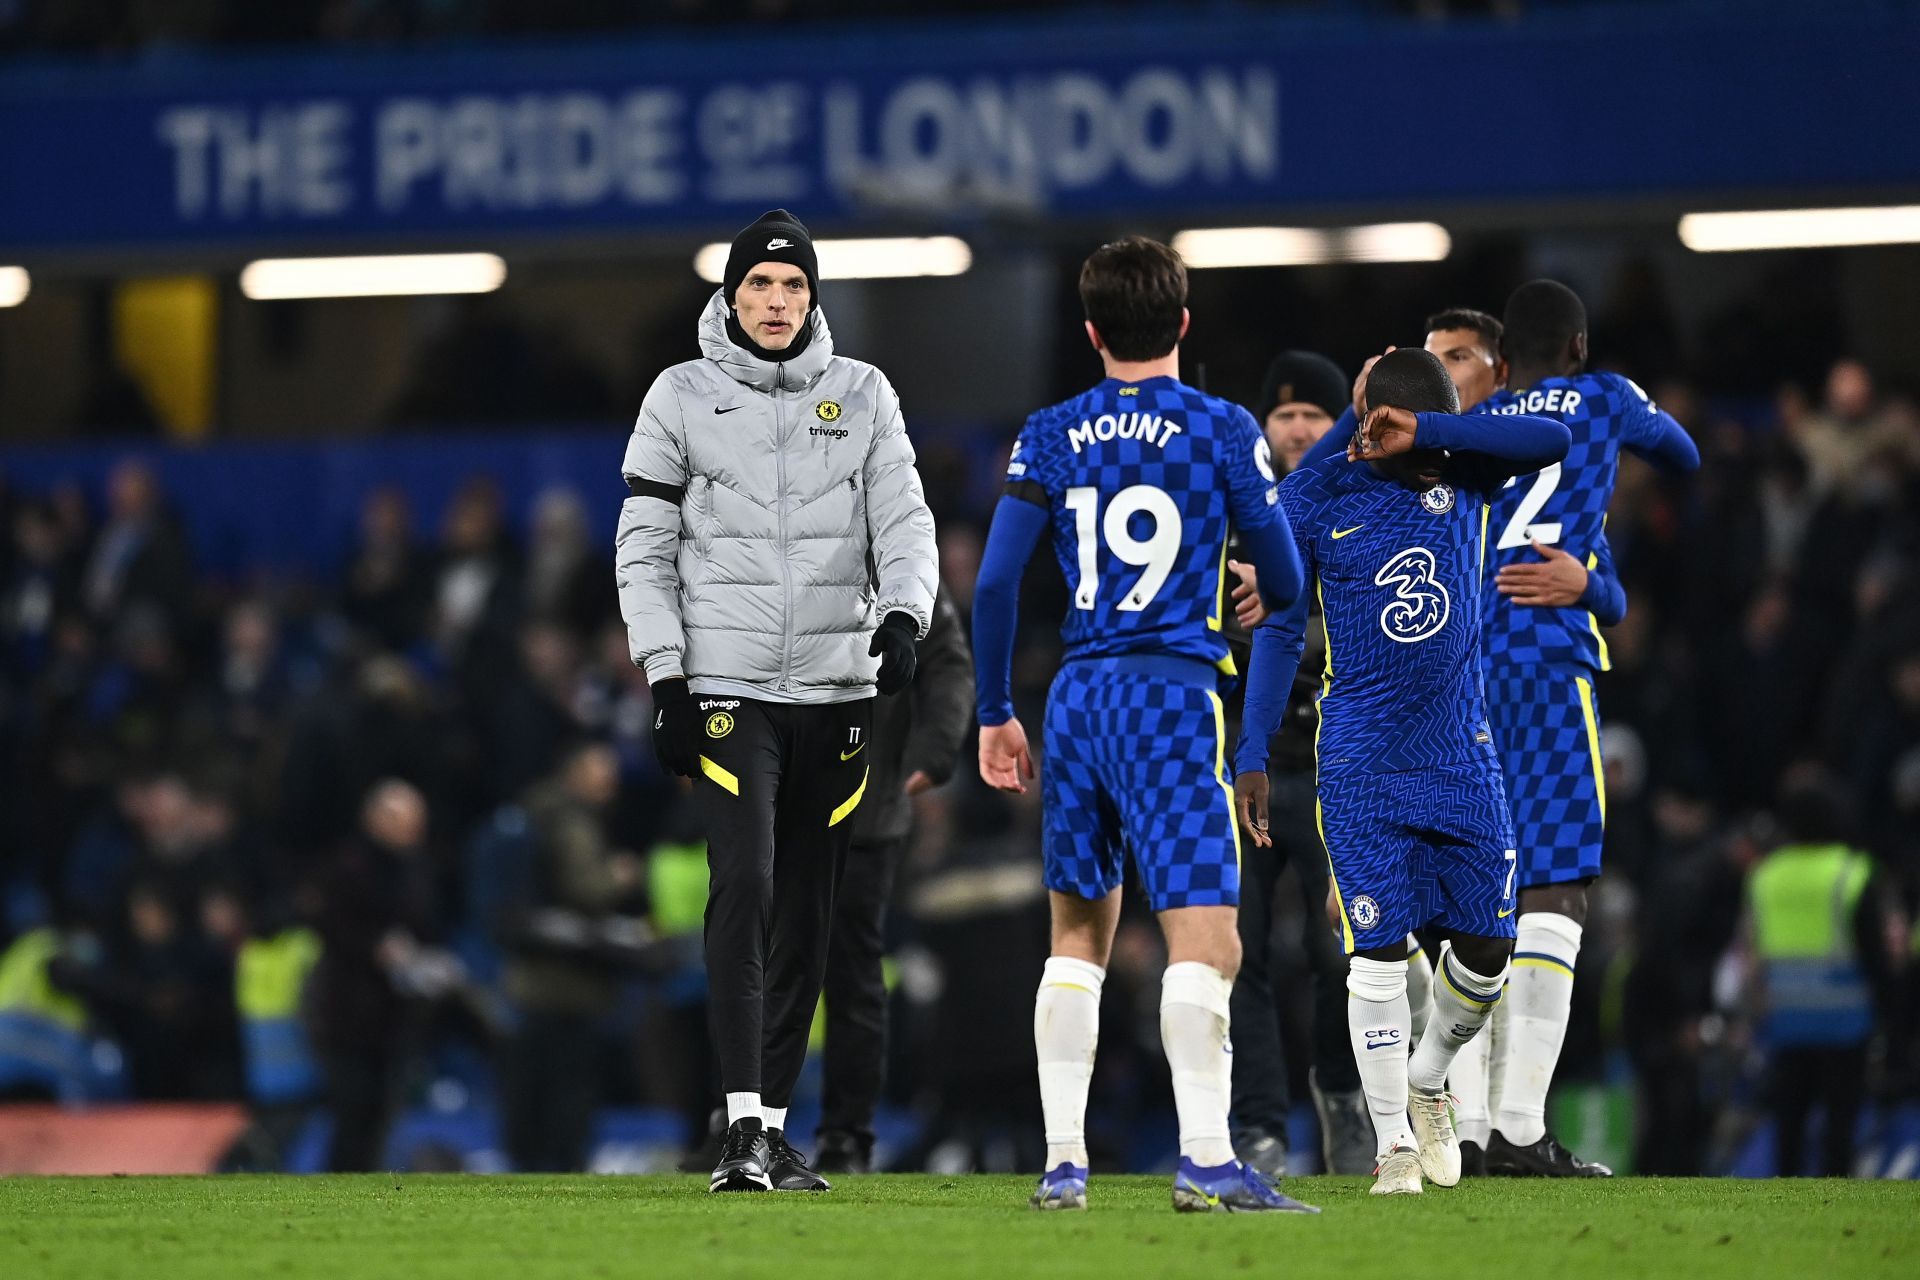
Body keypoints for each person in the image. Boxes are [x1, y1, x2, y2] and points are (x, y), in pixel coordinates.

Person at [972, 235, 1314, 1214]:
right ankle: (1207, 1152)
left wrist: (998, 711)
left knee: (1076, 934)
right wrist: (1245, 581)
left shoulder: (1046, 431)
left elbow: (995, 583)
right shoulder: (1220, 426)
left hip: (1079, 698)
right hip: (1172, 696)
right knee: (1207, 940)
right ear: (1185, 323)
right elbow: (1285, 580)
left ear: (1090, 331)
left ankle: (1063, 1161)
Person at [616, 208, 938, 1193]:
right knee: (747, 883)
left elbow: (905, 517)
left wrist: (904, 617)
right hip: (728, 689)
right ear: (731, 294)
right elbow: (643, 548)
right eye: (760, 283)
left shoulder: (864, 394)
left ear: (813, 295)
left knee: (807, 909)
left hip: (838, 688)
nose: (776, 301)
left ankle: (772, 1129)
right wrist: (665, 675)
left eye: (793, 285)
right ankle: (741, 1123)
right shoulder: (680, 395)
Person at [1236, 347, 1571, 1195]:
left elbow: (1553, 437)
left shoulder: (1465, 469)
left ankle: (1429, 1083)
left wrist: (1430, 429)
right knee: (1375, 958)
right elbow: (1278, 629)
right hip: (1358, 760)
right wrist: (1252, 751)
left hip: (1462, 754)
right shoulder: (1315, 496)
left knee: (1488, 954)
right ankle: (1391, 1145)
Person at [1466, 280, 1700, 1176]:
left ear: (1497, 360)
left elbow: (1601, 582)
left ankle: (1475, 1122)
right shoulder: (1601, 398)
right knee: (1557, 887)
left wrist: (1591, 580)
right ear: (1577, 346)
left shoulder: (1477, 424)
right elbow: (1681, 453)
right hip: (1546, 668)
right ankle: (1521, 1125)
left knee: (1478, 890)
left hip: (1464, 672)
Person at [1228, 350, 1376, 1177]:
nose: (1294, 426)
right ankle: (1258, 1126)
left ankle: (1341, 1095)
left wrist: (1288, 603)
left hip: (1331, 766)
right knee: (1239, 951)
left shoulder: (1355, 505)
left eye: (1313, 415)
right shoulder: (1232, 511)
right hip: (1244, 764)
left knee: (1339, 949)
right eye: (1282, 414)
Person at [816, 582, 974, 1174]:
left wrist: (932, 752)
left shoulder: (902, 551)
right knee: (756, 966)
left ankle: (846, 1135)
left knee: (853, 975)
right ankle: (743, 1124)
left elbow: (948, 663)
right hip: (774, 805)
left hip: (868, 809)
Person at [499, 740, 643, 1173]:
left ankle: (526, 1161)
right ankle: (561, 1163)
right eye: (601, 771)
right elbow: (587, 890)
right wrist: (619, 876)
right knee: (568, 1085)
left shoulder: (531, 815)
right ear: (575, 774)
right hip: (570, 981)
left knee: (533, 1078)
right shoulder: (572, 824)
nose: (610, 781)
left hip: (530, 977)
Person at [1746, 769, 1896, 1176]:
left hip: (1787, 1020)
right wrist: (1890, 1013)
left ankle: (1785, 1196)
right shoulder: (1853, 872)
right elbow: (1876, 955)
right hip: (1845, 1021)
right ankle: (1835, 1195)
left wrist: (1751, 1015)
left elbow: (1752, 954)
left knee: (1789, 1121)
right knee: (1840, 1124)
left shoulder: (1766, 875)